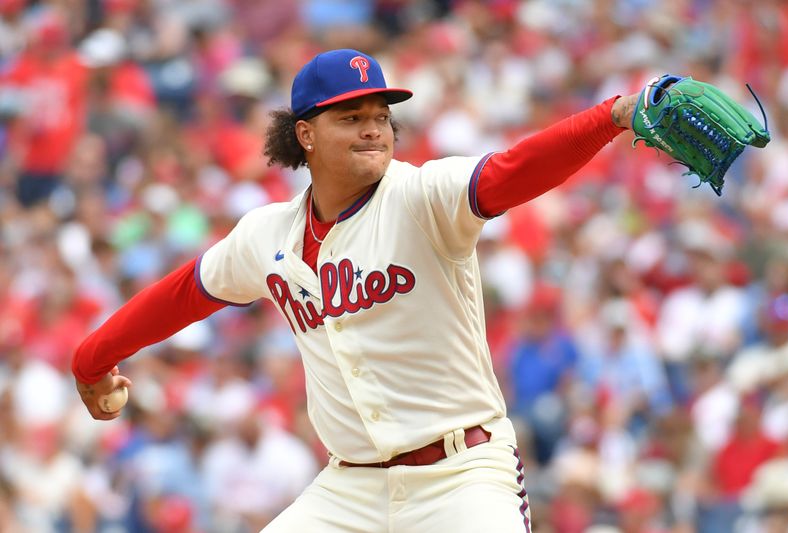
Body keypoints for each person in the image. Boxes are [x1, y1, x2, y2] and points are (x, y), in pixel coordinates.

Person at [72, 48, 639, 532]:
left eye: (381, 115)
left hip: (462, 475)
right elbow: (184, 294)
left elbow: (511, 171)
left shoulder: (421, 196)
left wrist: (611, 116)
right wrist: (92, 358)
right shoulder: (267, 234)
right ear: (305, 134)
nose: (373, 127)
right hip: (350, 491)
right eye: (351, 116)